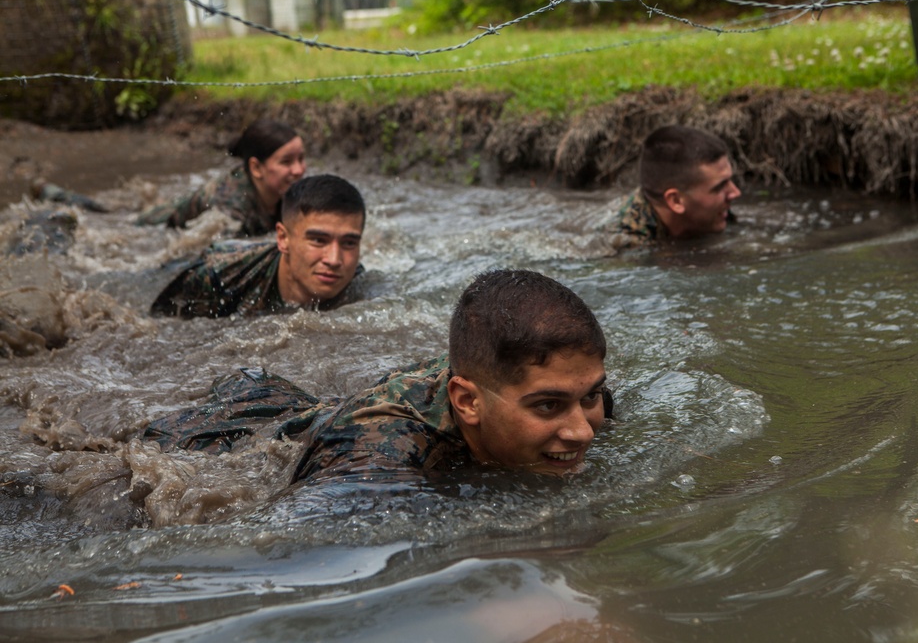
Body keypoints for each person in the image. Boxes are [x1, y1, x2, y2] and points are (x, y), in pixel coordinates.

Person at [144, 269, 614, 483]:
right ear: (468, 402)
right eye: (549, 406)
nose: (581, 430)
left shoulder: (580, 397)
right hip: (225, 432)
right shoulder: (379, 459)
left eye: (590, 396)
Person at [150, 174, 365, 318]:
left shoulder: (360, 288)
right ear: (283, 238)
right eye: (318, 240)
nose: (335, 260)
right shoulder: (221, 275)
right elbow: (159, 322)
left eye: (348, 243)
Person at [137, 118, 306, 236]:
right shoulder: (229, 205)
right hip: (153, 226)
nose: (299, 170)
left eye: (301, 159)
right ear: (256, 168)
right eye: (286, 162)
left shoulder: (283, 191)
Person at [609, 124, 742, 248]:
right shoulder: (624, 244)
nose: (735, 193)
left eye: (730, 180)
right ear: (676, 201)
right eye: (719, 187)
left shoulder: (713, 210)